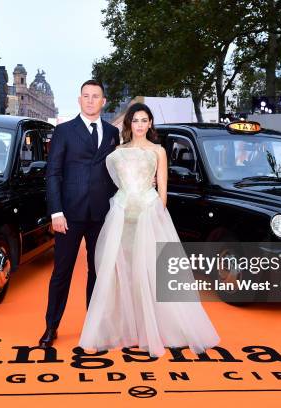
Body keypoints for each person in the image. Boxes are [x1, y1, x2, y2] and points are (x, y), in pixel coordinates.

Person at [78, 103, 219, 357]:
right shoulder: (117, 152)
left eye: (144, 120)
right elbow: (115, 180)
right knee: (122, 271)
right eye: (136, 120)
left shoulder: (158, 151)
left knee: (151, 271)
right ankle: (126, 329)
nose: (140, 125)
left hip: (148, 212)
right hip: (121, 215)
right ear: (129, 124)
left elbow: (163, 188)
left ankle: (156, 328)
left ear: (150, 123)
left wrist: (157, 212)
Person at [40, 80, 120, 348]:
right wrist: (56, 212)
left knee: (97, 273)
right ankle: (51, 326)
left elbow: (114, 172)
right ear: (79, 100)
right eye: (85, 96)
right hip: (69, 215)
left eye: (95, 96)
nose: (90, 100)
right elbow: (53, 174)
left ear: (103, 101)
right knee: (61, 272)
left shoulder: (112, 133)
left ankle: (93, 327)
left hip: (102, 213)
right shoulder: (63, 131)